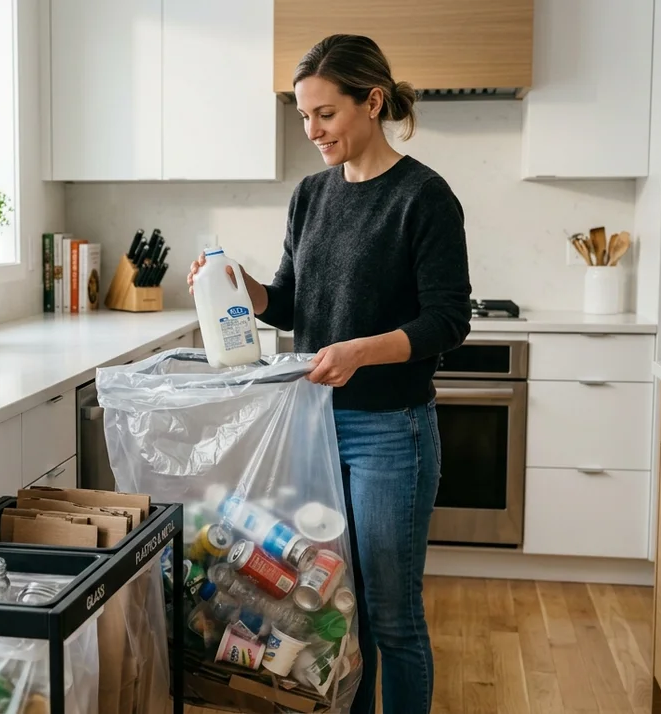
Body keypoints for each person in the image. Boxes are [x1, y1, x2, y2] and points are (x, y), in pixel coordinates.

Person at [187, 34, 471, 714]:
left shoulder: (424, 197)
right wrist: (242, 287)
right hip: (313, 428)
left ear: (371, 102)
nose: (312, 131)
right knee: (337, 606)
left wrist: (359, 351)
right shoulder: (311, 195)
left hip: (390, 433)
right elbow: (289, 302)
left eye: (325, 114)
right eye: (304, 117)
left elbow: (448, 321)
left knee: (391, 615)